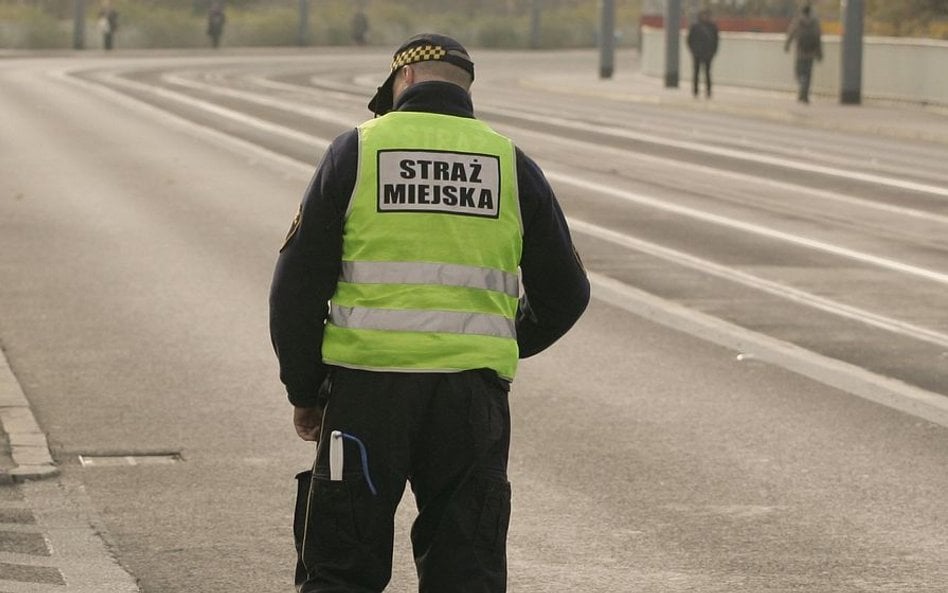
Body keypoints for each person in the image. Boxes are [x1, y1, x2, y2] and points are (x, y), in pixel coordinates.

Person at [270, 33, 590, 593]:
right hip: (470, 401)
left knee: (342, 566)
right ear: (464, 87)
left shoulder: (357, 151)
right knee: (466, 568)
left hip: (367, 397)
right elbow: (566, 292)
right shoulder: (510, 163)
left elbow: (295, 288)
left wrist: (304, 389)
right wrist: (500, 340)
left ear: (406, 80)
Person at [784, 4, 823, 104]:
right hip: (810, 52)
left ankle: (802, 87)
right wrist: (819, 53)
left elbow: (791, 33)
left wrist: (787, 45)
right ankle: (805, 94)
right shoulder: (815, 22)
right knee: (808, 74)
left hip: (800, 52)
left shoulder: (798, 21)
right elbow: (818, 37)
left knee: (799, 73)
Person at [686, 8, 719, 98]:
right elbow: (689, 40)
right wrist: (693, 50)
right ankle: (695, 91)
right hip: (697, 53)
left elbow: (716, 41)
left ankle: (708, 91)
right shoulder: (695, 27)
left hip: (708, 54)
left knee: (707, 73)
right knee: (696, 72)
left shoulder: (712, 27)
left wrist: (713, 52)